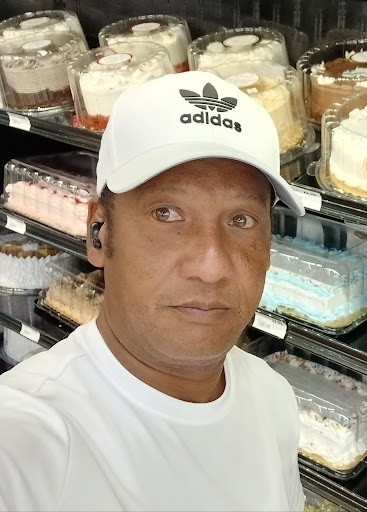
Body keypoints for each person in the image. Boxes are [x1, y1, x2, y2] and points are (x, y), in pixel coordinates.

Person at [0, 71, 306, 511]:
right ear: (99, 233)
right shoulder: (26, 441)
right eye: (166, 213)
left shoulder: (273, 398)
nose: (211, 267)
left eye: (241, 220)